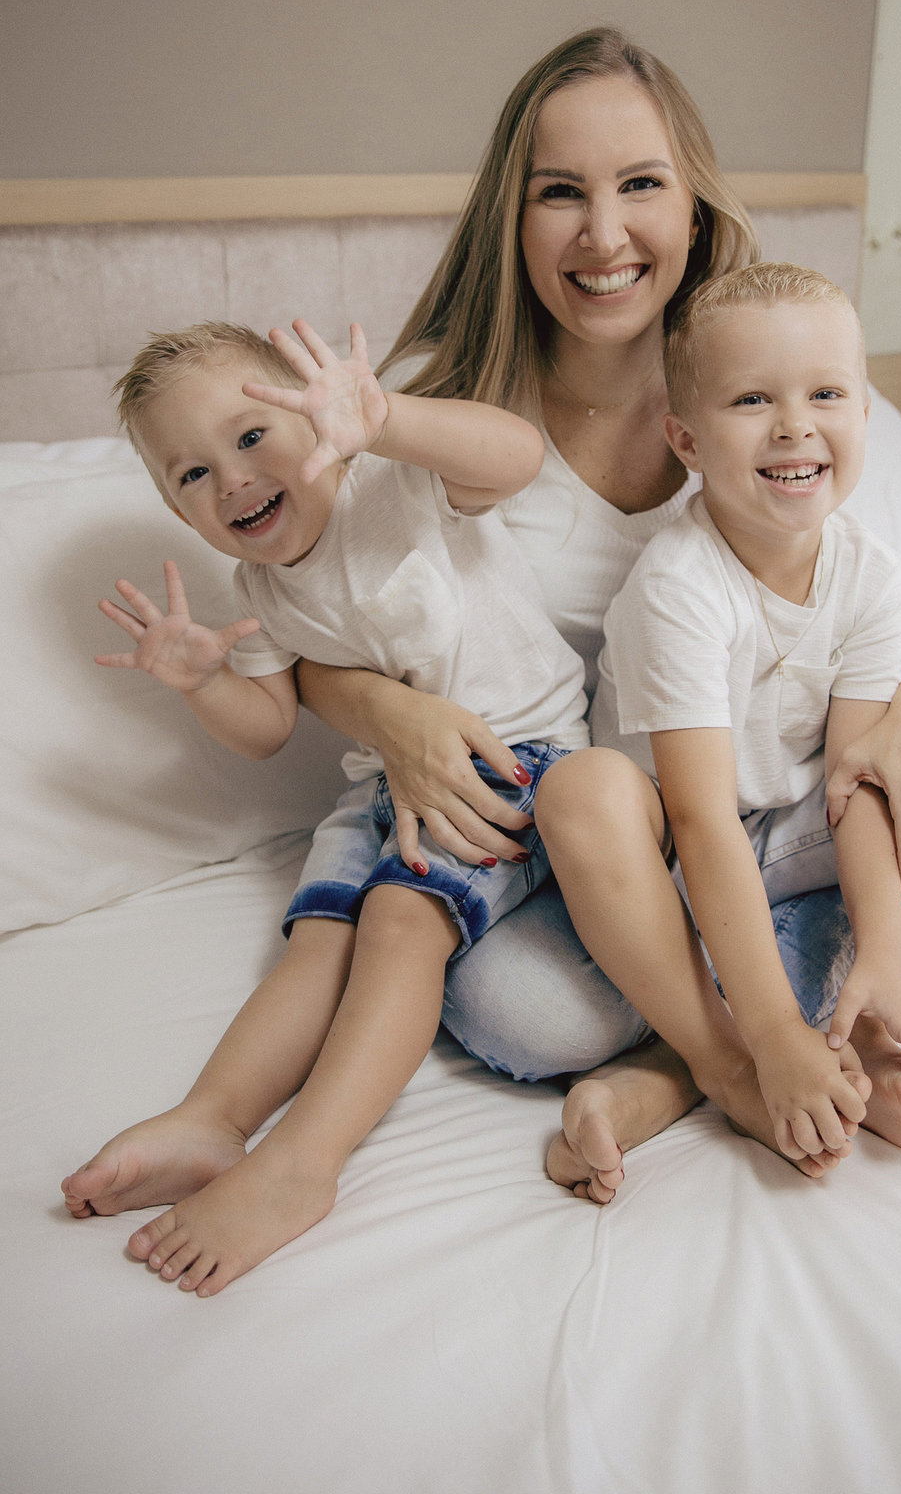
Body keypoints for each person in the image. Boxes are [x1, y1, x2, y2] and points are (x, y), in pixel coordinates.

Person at [293, 27, 901, 1203]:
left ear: (696, 206)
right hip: (594, 826)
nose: (605, 236)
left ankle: (688, 1068)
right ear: (515, 214)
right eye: (563, 193)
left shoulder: (766, 372)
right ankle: (738, 1041)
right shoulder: (435, 408)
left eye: (641, 185)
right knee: (521, 1010)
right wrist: (386, 712)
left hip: (752, 802)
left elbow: (822, 604)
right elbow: (312, 619)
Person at [61, 319, 589, 1293]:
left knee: (398, 919)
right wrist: (199, 681)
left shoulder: (401, 484)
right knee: (319, 942)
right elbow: (266, 722)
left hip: (516, 758)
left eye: (252, 437)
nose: (230, 481)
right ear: (177, 510)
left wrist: (388, 419)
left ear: (316, 416)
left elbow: (514, 457)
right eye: (189, 474)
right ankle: (214, 1117)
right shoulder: (261, 585)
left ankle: (303, 1162)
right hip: (379, 787)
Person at [534, 264, 901, 1174]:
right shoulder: (681, 586)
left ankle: (865, 1024)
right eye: (752, 399)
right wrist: (766, 1031)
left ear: (865, 416)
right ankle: (730, 1066)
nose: (796, 424)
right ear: (685, 437)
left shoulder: (873, 575)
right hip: (671, 865)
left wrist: (883, 954)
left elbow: (860, 780)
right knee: (580, 795)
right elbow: (700, 820)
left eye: (827, 393)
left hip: (792, 838)